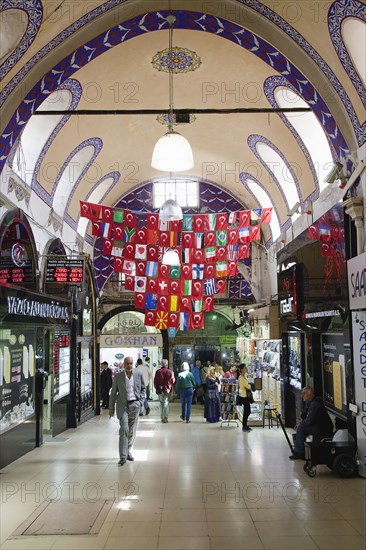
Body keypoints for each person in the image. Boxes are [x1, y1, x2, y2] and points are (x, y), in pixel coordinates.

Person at [109, 356, 146, 466]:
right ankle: (123, 456)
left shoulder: (138, 375)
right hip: (123, 406)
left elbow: (144, 389)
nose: (129, 365)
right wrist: (111, 408)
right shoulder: (118, 376)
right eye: (127, 363)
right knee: (124, 429)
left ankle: (128, 450)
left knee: (132, 431)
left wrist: (140, 402)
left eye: (131, 363)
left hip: (135, 405)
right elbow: (113, 392)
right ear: (123, 364)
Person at [289, 386, 334, 460]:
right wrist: (301, 422)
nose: (302, 395)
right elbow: (305, 416)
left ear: (309, 395)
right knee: (300, 427)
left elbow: (310, 421)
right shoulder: (310, 403)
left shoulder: (315, 404)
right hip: (317, 426)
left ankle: (300, 452)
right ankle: (299, 450)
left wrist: (301, 424)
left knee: (301, 428)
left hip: (322, 428)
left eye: (304, 393)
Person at [153, 359, 175, 423]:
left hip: (160, 390)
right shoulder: (170, 372)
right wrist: (172, 388)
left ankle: (162, 417)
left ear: (161, 364)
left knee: (161, 403)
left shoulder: (158, 372)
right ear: (167, 364)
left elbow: (155, 381)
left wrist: (156, 388)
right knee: (166, 403)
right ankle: (165, 417)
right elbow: (173, 381)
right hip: (167, 389)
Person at [238, 364, 252, 432]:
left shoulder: (243, 377)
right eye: (245, 368)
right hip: (244, 396)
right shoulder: (241, 378)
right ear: (241, 370)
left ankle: (245, 425)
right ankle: (244, 426)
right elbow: (248, 386)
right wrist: (249, 385)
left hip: (245, 396)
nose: (246, 369)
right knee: (247, 411)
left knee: (247, 411)